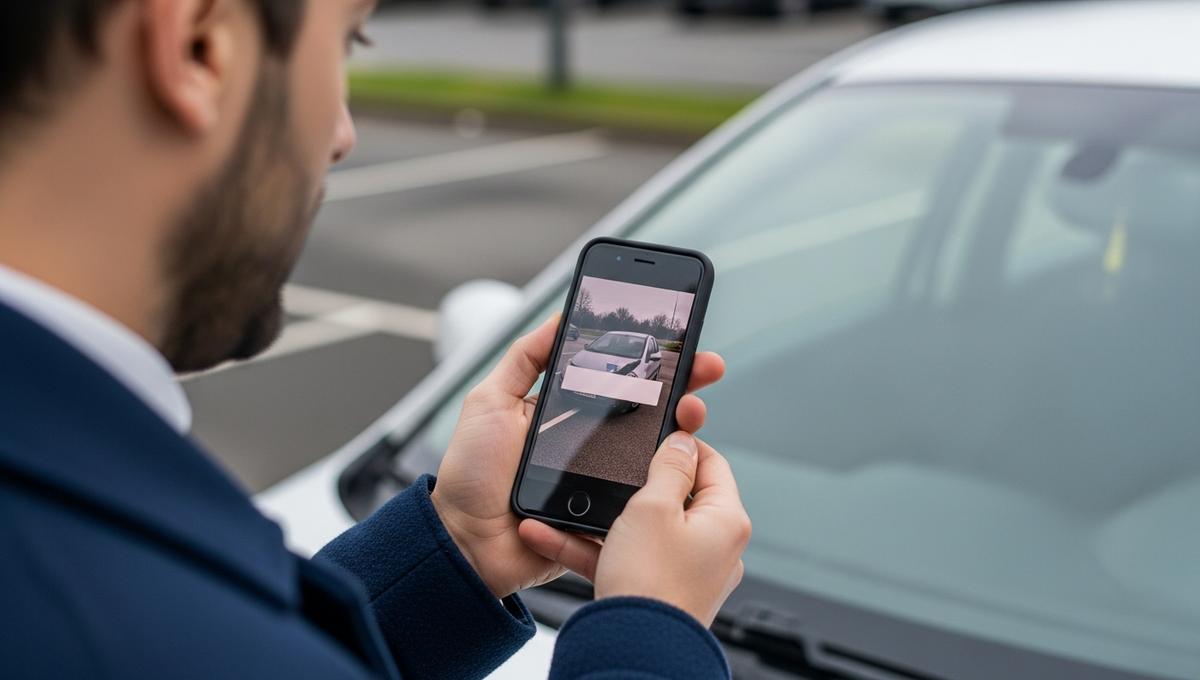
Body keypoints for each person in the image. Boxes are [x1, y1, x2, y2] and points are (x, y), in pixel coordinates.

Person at [0, 1, 752, 679]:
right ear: (200, 45)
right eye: (346, 42)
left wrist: (457, 549)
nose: (342, 135)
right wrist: (654, 639)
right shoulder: (101, 604)